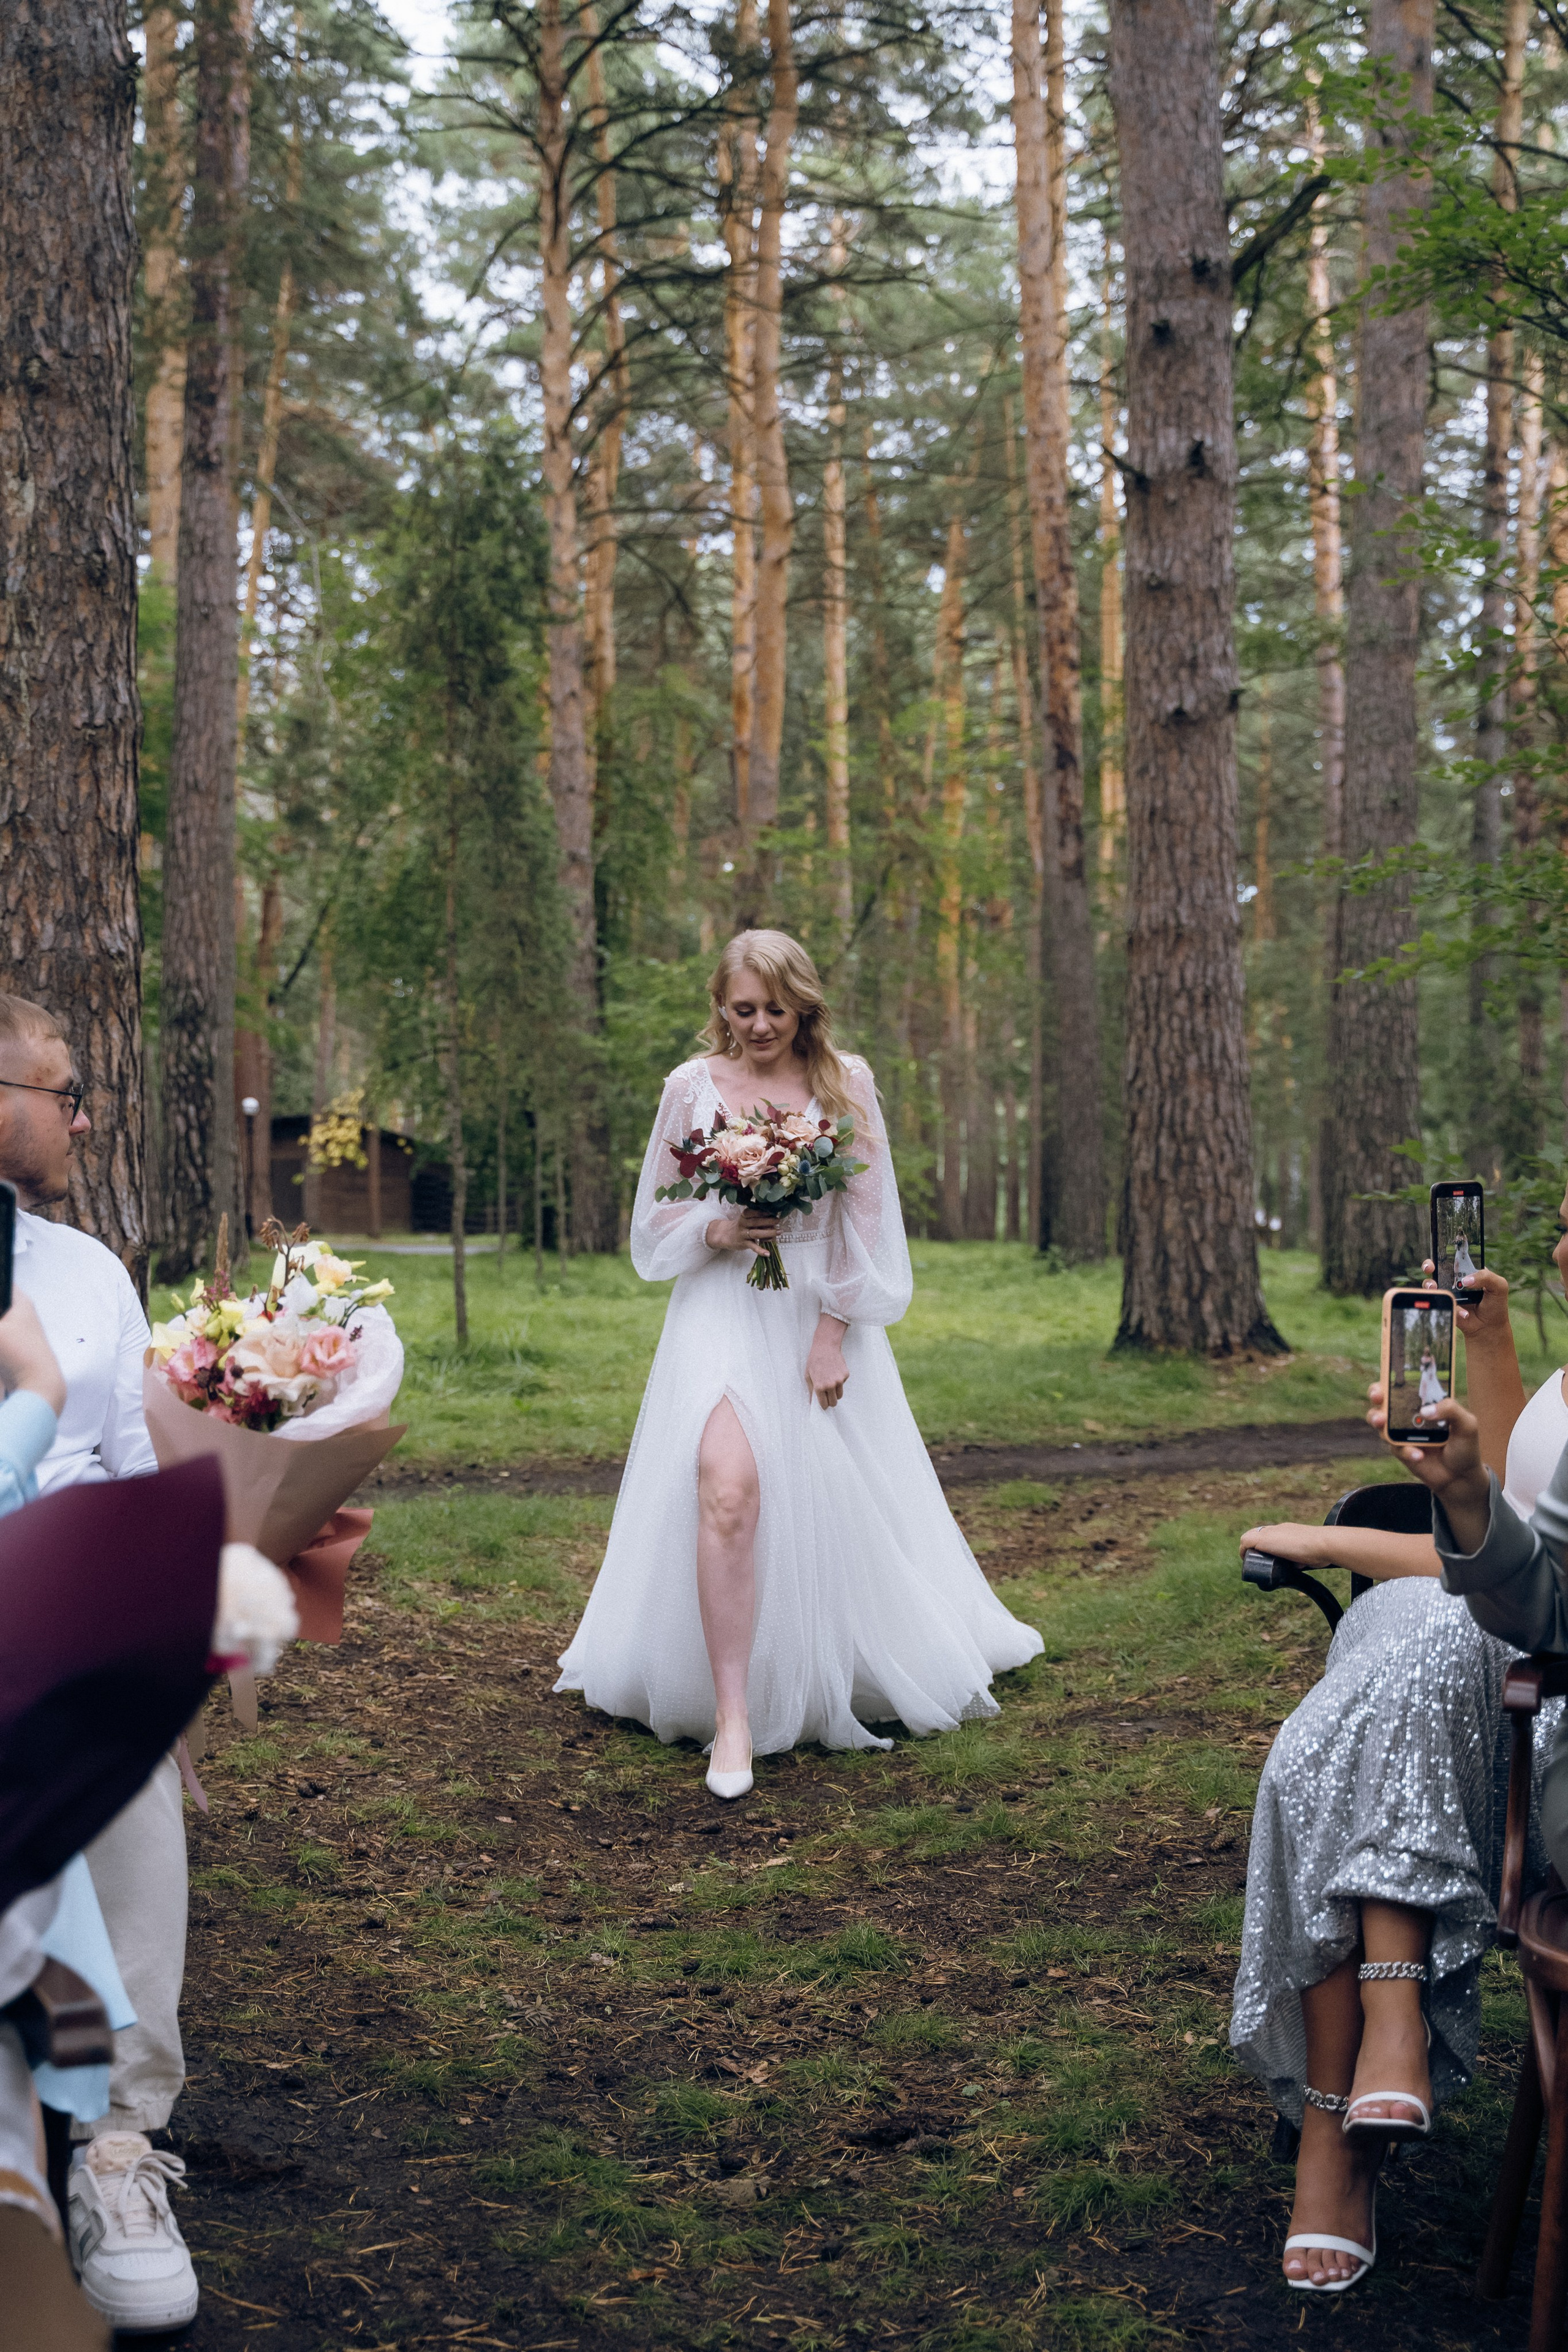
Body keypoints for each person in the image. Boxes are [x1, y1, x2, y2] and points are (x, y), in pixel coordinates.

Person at [554, 929, 1043, 1796]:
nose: (759, 1025)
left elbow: (867, 1221)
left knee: (824, 1497)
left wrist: (834, 1333)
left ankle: (831, 1657)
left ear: (804, 1005)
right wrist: (718, 1227)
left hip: (815, 1311)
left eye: (775, 1008)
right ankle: (735, 1715)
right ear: (721, 1007)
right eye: (742, 1008)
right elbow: (653, 1227)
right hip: (720, 1310)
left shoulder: (843, 1084)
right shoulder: (690, 1088)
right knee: (727, 1486)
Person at [1229, 1226, 1562, 2296]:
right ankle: (1380, 2044)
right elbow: (1518, 1508)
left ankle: (1351, 2109)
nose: (1561, 1238)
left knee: (1397, 1675)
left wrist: (1335, 1544)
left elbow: (1527, 1575)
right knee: (1321, 1744)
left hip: (1537, 1686)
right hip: (1501, 1620)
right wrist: (1496, 1341)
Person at [0, 995, 199, 2329]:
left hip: (62, 1612)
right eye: (61, 1091)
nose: (82, 1116)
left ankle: (121, 2147)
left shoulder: (88, 1275)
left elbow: (141, 1474)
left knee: (125, 1772)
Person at [1417, 1346, 1446, 1412]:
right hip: (1425, 1373)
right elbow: (1422, 1367)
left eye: (1427, 1351)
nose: (1426, 1352)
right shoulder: (1423, 1358)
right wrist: (1423, 1368)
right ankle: (1424, 1400)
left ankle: (1431, 1399)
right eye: (1425, 1351)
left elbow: (1434, 1366)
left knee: (1432, 1386)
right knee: (1424, 1385)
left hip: (1431, 1374)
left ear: (1429, 1351)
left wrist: (1432, 1374)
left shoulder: (1432, 1357)